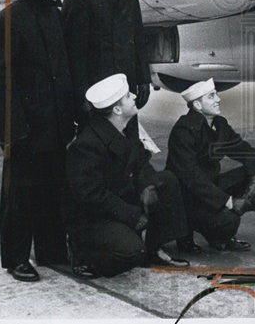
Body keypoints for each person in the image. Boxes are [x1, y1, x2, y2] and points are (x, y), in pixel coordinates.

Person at [0, 0, 77, 282]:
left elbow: (63, 70)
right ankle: (16, 258)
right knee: (19, 195)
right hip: (26, 128)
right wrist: (15, 127)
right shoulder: (8, 21)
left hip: (56, 124)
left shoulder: (55, 15)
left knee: (52, 190)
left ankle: (52, 252)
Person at [64, 74, 188, 277]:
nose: (133, 96)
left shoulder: (125, 129)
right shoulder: (87, 144)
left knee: (167, 181)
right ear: (117, 109)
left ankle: (153, 249)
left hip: (120, 201)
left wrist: (148, 186)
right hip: (95, 218)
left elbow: (140, 162)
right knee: (131, 253)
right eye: (128, 96)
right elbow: (92, 197)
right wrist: (133, 216)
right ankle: (85, 256)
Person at [166, 79, 255, 253]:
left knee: (248, 173)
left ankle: (219, 237)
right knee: (228, 220)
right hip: (186, 196)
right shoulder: (184, 129)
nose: (218, 99)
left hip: (207, 186)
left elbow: (245, 150)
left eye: (216, 94)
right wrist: (227, 202)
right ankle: (186, 234)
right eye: (211, 96)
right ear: (197, 104)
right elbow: (190, 177)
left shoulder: (219, 124)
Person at [62, 0, 151, 133]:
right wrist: (81, 98)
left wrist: (144, 78)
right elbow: (75, 56)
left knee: (130, 146)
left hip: (126, 90)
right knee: (101, 151)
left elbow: (138, 38)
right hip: (98, 94)